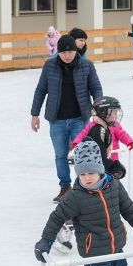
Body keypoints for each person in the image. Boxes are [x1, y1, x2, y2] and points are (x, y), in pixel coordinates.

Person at [30, 33, 104, 202]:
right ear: (59, 52)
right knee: (60, 155)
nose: (67, 55)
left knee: (82, 153)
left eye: (70, 52)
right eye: (63, 52)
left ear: (76, 51)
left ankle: (82, 186)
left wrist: (99, 112)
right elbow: (41, 90)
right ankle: (65, 187)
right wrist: (35, 114)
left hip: (80, 118)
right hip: (57, 120)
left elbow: (96, 88)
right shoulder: (50, 66)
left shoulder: (86, 65)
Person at [70, 96, 131, 179]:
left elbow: (122, 134)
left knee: (114, 181)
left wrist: (129, 142)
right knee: (106, 181)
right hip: (102, 164)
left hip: (112, 158)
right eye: (114, 112)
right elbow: (83, 135)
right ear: (103, 113)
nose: (116, 116)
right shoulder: (96, 129)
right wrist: (76, 143)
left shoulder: (113, 125)